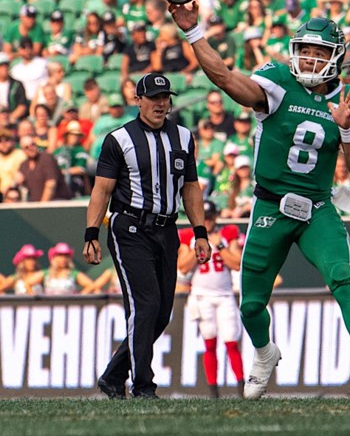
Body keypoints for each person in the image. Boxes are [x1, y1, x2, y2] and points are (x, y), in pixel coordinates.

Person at [166, 4, 350, 401]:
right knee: (251, 306)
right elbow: (224, 78)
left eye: (321, 53)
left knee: (343, 279)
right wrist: (193, 33)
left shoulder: (345, 98)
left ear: (336, 59)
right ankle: (265, 352)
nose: (311, 58)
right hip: (270, 206)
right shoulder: (276, 81)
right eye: (306, 50)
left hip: (317, 209)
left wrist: (346, 129)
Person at [83, 73, 209, 399]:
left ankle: (113, 376)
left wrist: (200, 232)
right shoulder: (119, 139)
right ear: (138, 101)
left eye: (165, 97)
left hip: (168, 229)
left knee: (161, 312)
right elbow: (102, 190)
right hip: (130, 228)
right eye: (153, 98)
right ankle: (143, 386)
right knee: (145, 305)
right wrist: (91, 233)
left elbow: (191, 187)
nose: (160, 103)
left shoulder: (183, 137)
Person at [178, 200, 244, 399]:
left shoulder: (227, 233)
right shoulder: (189, 236)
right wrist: (197, 246)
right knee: (209, 341)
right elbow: (182, 267)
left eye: (209, 218)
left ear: (215, 218)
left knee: (231, 341)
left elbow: (237, 263)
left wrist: (219, 244)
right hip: (201, 296)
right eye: (203, 218)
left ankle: (241, 387)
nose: (206, 222)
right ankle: (213, 390)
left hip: (224, 295)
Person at [16, 134, 71, 201]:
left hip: (57, 203)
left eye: (32, 144)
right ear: (23, 150)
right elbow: (18, 180)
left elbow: (51, 184)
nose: (30, 148)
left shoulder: (46, 158)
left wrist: (42, 206)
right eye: (27, 147)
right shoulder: (24, 165)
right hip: (36, 205)